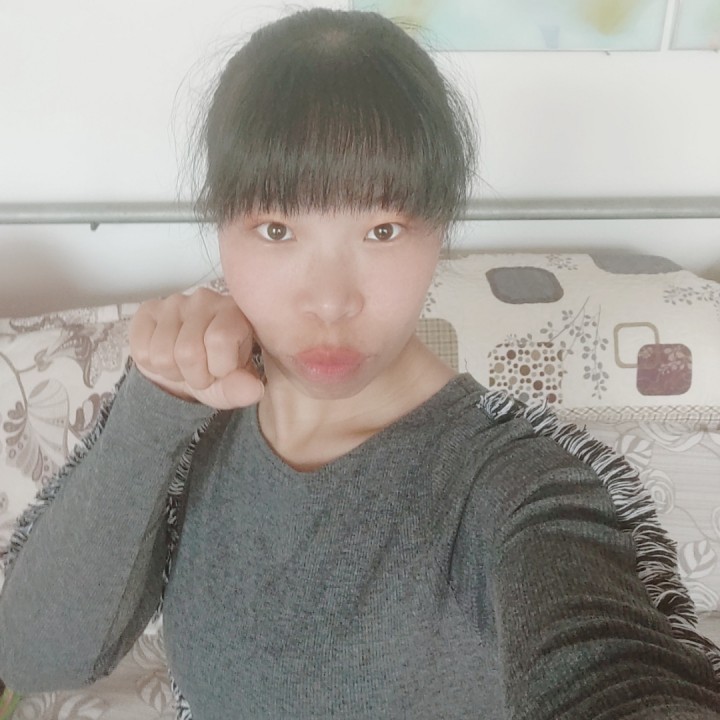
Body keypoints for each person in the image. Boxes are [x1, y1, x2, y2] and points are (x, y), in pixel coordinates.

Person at [0, 8, 719, 720]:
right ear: (221, 227)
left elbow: (608, 660)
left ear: (439, 229)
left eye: (383, 229)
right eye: (276, 229)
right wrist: (156, 403)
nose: (331, 301)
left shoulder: (518, 482)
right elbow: (33, 657)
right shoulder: (193, 426)